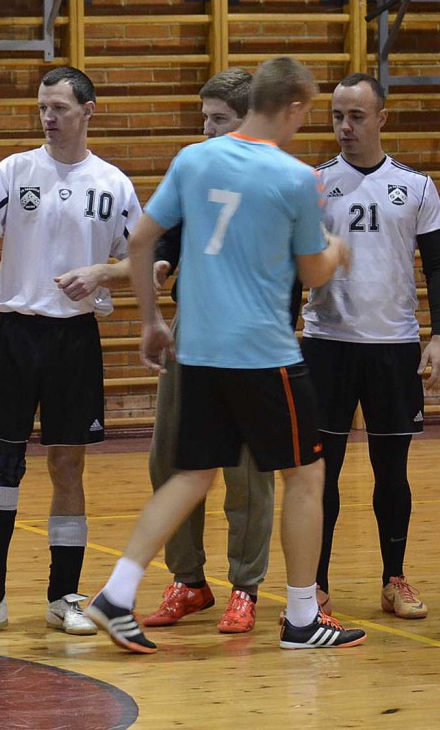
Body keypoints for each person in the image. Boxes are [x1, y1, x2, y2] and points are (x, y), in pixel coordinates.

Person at [86, 57, 367, 653]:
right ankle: (301, 618)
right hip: (263, 352)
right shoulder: (296, 178)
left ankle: (116, 591)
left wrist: (150, 322)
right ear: (293, 107)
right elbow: (313, 272)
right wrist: (337, 249)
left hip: (199, 349)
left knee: (191, 474)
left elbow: (141, 240)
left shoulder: (193, 160)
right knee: (306, 475)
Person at [0, 66, 142, 639]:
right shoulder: (15, 170)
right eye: (42, 108)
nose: (48, 118)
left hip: (74, 340)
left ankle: (64, 597)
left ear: (88, 111)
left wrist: (102, 272)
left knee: (67, 465)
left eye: (59, 108)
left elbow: (147, 262)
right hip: (15, 335)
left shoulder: (113, 184)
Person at [303, 72, 440, 619]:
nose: (345, 126)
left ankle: (394, 579)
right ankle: (315, 585)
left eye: (356, 116)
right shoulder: (315, 184)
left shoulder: (417, 187)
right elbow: (294, 267)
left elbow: (437, 267)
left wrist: (439, 335)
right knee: (322, 474)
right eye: (337, 116)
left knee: (392, 471)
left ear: (381, 118)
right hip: (327, 344)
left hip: (394, 346)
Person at [143, 69, 278, 635]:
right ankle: (188, 581)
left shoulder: (276, 177)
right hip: (192, 329)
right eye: (204, 118)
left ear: (247, 120)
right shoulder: (192, 166)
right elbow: (166, 228)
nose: (206, 130)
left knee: (245, 471)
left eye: (218, 120)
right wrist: (163, 260)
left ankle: (245, 587)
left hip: (250, 335)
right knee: (171, 459)